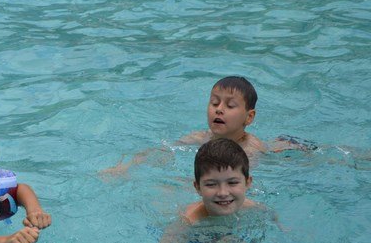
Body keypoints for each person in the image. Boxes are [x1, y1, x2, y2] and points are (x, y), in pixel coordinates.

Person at [100, 76, 311, 178]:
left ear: (249, 117)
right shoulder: (201, 137)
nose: (219, 110)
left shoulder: (250, 150)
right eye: (214, 103)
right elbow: (164, 148)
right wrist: (127, 166)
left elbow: (239, 183)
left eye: (230, 106)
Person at [158, 138, 263, 243]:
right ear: (197, 187)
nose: (223, 193)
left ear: (247, 183)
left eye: (232, 182)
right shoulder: (188, 221)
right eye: (211, 184)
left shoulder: (254, 208)